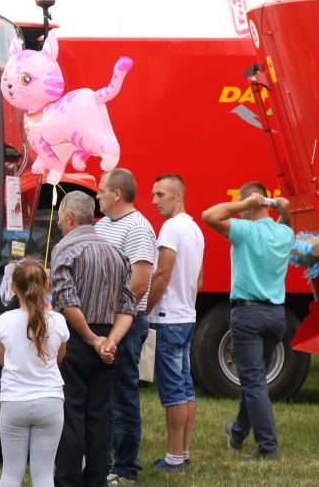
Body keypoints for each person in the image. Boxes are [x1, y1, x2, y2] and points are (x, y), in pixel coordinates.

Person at [50, 191, 136, 487]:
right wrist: (109, 341)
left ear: (70, 218)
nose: (59, 223)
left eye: (60, 218)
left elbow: (66, 299)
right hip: (109, 338)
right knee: (99, 414)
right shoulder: (116, 253)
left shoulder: (65, 248)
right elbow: (128, 305)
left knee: (71, 411)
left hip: (76, 336)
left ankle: (68, 480)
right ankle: (96, 479)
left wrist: (90, 339)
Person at [202, 181, 292, 460]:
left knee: (253, 382)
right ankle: (238, 431)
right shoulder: (284, 233)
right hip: (277, 315)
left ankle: (268, 447)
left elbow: (209, 216)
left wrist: (244, 204)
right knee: (256, 379)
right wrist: (284, 212)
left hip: (248, 314)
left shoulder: (245, 231)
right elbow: (283, 226)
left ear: (251, 205)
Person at [94, 168, 156, 485]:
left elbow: (140, 283)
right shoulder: (103, 226)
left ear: (117, 194)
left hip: (126, 323)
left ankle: (126, 468)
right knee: (102, 396)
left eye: (102, 190)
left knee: (122, 395)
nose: (97, 195)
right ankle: (102, 463)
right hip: (102, 321)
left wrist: (115, 319)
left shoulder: (138, 228)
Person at [145, 174, 205, 472]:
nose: (155, 201)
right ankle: (182, 452)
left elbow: (162, 275)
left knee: (173, 393)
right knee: (185, 388)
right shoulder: (195, 230)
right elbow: (199, 279)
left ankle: (173, 457)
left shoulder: (171, 227)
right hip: (187, 316)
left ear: (178, 195)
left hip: (169, 319)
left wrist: (145, 309)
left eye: (161, 194)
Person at [0, 258, 69, 487]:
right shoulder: (58, 320)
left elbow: (2, 360)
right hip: (50, 401)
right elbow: (59, 357)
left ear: (13, 287)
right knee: (44, 475)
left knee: (10, 473)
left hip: (13, 400)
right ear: (46, 284)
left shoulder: (3, 321)